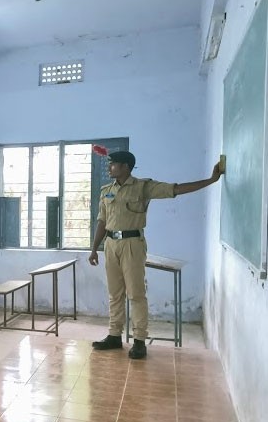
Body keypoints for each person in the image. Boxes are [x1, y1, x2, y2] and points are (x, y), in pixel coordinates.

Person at [89, 151, 223, 359]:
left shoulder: (143, 187)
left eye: (113, 164)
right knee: (115, 294)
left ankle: (139, 340)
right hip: (111, 245)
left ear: (125, 166)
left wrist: (212, 180)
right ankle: (114, 335)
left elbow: (175, 189)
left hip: (133, 244)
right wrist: (94, 248)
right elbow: (101, 221)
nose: (109, 167)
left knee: (136, 293)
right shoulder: (106, 191)